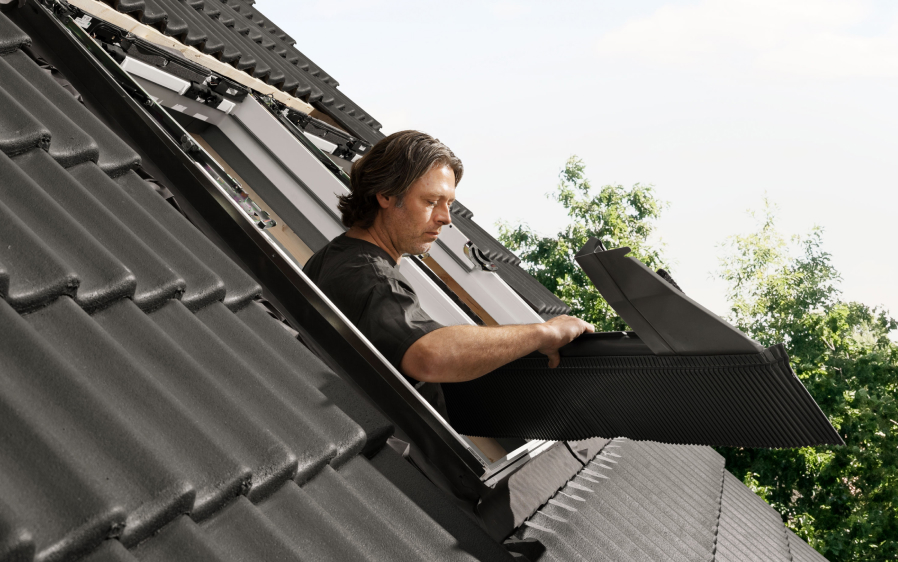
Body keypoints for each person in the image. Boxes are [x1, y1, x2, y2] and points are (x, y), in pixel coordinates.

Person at [303, 130, 594, 415]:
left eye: (449, 204)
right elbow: (428, 356)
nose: (445, 217)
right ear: (386, 195)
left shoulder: (336, 256)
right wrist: (545, 333)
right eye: (431, 202)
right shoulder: (369, 276)